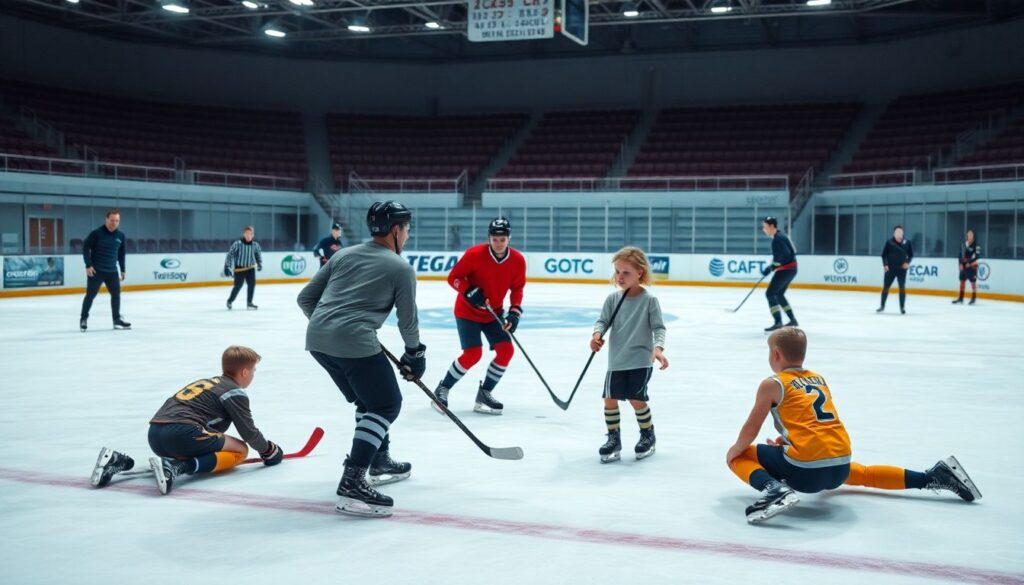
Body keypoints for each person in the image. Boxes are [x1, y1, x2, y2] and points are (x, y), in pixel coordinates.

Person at [726, 327, 981, 524]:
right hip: (839, 463)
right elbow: (812, 422)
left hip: (807, 470)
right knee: (865, 473)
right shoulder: (817, 378)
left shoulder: (773, 383)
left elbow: (751, 429)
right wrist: (789, 442)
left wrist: (735, 449)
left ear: (775, 354)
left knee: (742, 455)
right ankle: (932, 478)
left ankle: (774, 490)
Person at [297, 201, 425, 518]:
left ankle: (379, 460)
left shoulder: (343, 254)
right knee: (385, 404)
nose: (408, 235)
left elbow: (305, 298)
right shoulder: (401, 268)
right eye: (407, 229)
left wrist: (332, 326)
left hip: (317, 341)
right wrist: (415, 355)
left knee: (369, 403)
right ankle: (353, 479)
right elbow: (408, 322)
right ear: (396, 230)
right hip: (350, 341)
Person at [89, 346, 283, 495]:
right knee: (241, 450)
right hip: (183, 434)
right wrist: (268, 450)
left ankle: (119, 461)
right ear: (244, 372)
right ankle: (177, 467)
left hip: (155, 435)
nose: (254, 374)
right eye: (254, 370)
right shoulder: (234, 392)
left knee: (208, 440)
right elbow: (248, 432)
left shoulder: (209, 382)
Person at [433, 217, 527, 416]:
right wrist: (468, 290)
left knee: (506, 351)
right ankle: (443, 389)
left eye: (502, 239)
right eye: (495, 239)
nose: (499, 243)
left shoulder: (518, 260)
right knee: (473, 354)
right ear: (489, 238)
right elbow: (453, 278)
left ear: (509, 238)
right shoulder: (474, 255)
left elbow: (517, 288)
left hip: (494, 313)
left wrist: (514, 312)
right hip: (467, 312)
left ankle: (485, 393)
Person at [591, 247, 668, 463]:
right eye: (617, 271)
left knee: (636, 399)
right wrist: (596, 335)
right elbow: (603, 321)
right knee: (609, 399)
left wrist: (658, 348)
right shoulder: (612, 299)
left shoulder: (649, 300)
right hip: (616, 360)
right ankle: (613, 438)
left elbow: (659, 328)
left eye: (626, 272)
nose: (620, 277)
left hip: (640, 360)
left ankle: (647, 435)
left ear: (640, 273)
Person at [80, 208, 130, 332]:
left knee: (116, 295)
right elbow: (85, 248)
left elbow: (121, 254)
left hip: (112, 271)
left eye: (117, 221)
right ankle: (83, 318)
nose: (114, 223)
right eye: (112, 220)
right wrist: (88, 265)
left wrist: (122, 269)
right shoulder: (96, 233)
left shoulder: (121, 236)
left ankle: (116, 320)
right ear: (106, 219)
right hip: (96, 271)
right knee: (90, 295)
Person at [759, 216, 798, 332]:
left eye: (765, 227)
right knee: (779, 294)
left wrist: (771, 267)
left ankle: (778, 322)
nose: (764, 230)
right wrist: (773, 266)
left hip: (787, 269)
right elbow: (787, 254)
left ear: (772, 226)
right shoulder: (781, 236)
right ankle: (792, 320)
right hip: (791, 269)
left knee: (770, 293)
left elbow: (784, 255)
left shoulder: (777, 239)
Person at [224, 226, 263, 310]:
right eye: (247, 234)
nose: (249, 236)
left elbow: (258, 255)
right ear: (244, 234)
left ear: (253, 235)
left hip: (250, 269)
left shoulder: (255, 245)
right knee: (238, 286)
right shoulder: (237, 244)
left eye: (251, 234)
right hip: (239, 269)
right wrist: (227, 266)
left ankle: (249, 303)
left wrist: (259, 264)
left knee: (252, 284)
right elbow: (230, 255)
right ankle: (229, 301)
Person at [877, 224, 913, 314]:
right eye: (897, 232)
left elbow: (911, 255)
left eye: (900, 232)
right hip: (890, 270)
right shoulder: (889, 242)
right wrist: (885, 265)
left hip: (902, 270)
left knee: (902, 288)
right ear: (894, 233)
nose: (898, 233)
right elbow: (883, 255)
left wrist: (907, 263)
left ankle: (902, 308)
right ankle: (882, 306)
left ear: (903, 233)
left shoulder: (907, 242)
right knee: (886, 287)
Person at [952, 229, 981, 305]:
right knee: (962, 281)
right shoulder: (963, 244)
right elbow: (959, 255)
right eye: (969, 234)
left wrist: (970, 263)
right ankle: (961, 298)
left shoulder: (977, 245)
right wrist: (960, 265)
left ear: (973, 236)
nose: (970, 236)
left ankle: (973, 298)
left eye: (971, 234)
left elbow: (978, 256)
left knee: (973, 282)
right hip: (963, 265)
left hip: (971, 266)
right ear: (967, 236)